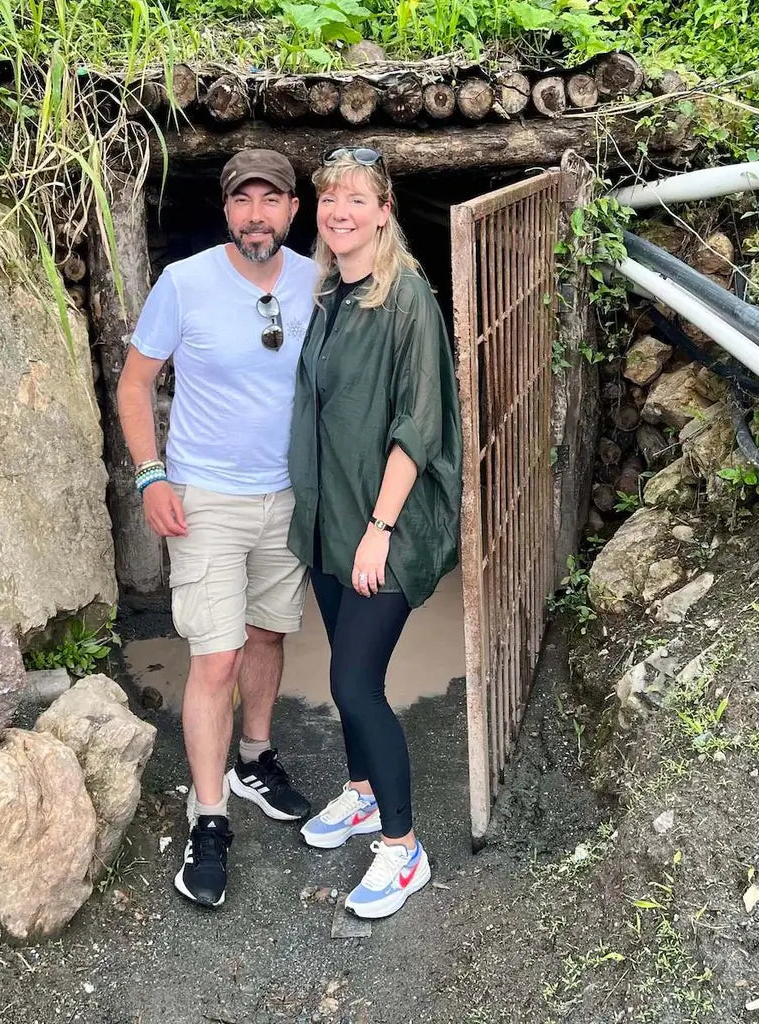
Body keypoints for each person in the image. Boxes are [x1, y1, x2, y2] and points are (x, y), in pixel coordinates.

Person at [116, 149, 320, 909]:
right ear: (227, 210)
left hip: (288, 496)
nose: (257, 215)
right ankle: (209, 816)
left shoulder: (316, 280)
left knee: (269, 635)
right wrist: (150, 473)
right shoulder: (185, 283)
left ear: (294, 211)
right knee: (215, 658)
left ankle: (255, 758)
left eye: (272, 200)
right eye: (244, 201)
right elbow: (136, 384)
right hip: (205, 499)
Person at [287, 147, 462, 919]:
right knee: (350, 673)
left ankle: (403, 847)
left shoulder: (406, 298)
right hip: (332, 520)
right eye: (329, 199)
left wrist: (380, 528)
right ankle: (360, 794)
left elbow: (417, 423)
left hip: (382, 526)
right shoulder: (330, 291)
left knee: (353, 683)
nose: (341, 212)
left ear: (384, 210)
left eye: (357, 199)